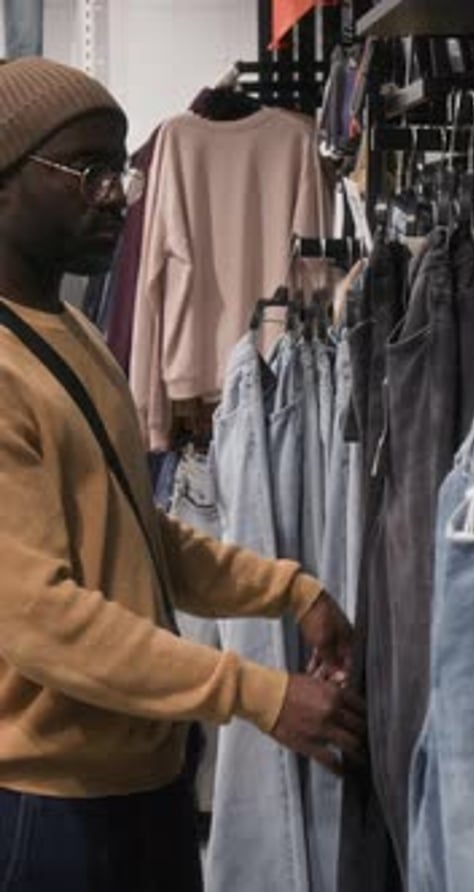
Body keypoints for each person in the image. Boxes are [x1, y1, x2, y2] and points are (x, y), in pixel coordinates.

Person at [0, 57, 365, 891]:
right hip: (51, 807)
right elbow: (42, 620)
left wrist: (289, 591)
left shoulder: (75, 335)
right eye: (85, 170)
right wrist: (254, 693)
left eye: (118, 171)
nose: (116, 198)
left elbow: (134, 530)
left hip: (142, 781)